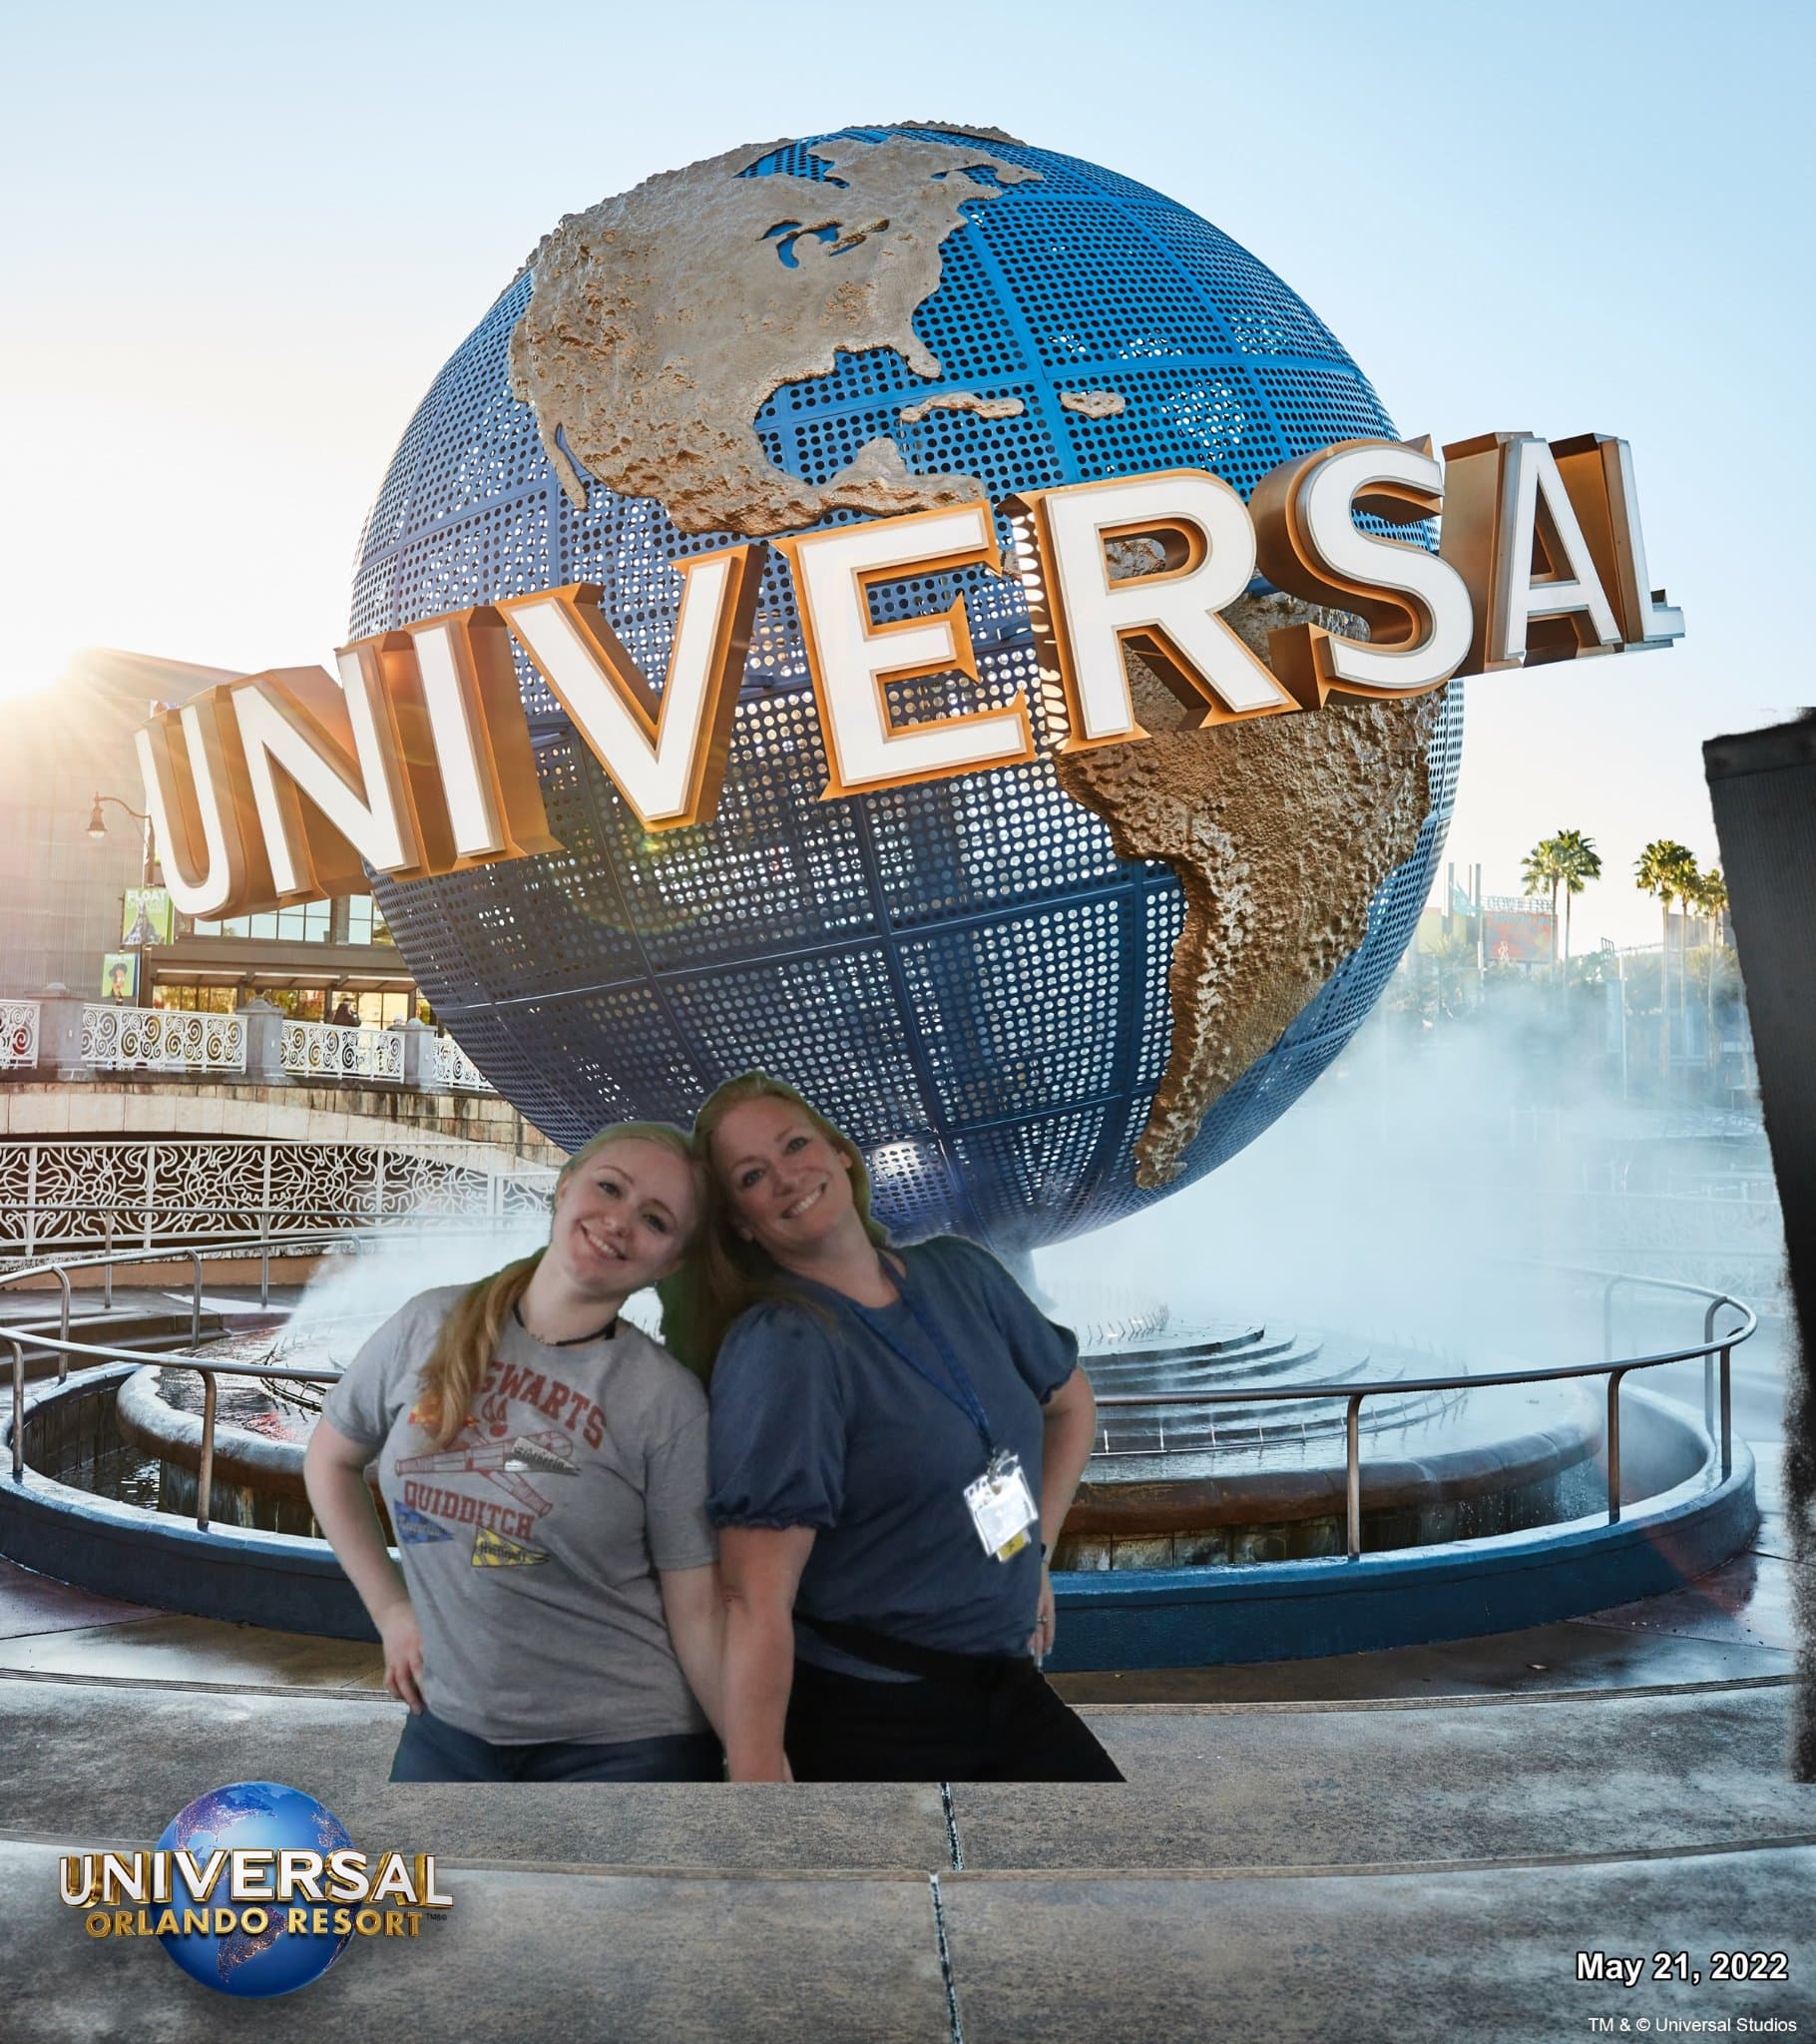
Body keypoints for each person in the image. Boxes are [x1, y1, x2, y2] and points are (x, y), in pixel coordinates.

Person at [665, 1072, 1123, 1785]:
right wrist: (757, 1773)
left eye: (796, 1145)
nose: (788, 1178)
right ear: (742, 1223)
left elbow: (1070, 1404)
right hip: (876, 1713)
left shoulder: (964, 1273)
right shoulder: (786, 1345)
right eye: (754, 1176)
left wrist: (1035, 1550)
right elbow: (752, 1595)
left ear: (841, 1154)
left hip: (1002, 1683)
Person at [304, 1122, 725, 1783]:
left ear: (668, 1263)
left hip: (627, 1743)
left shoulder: (665, 1401)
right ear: (563, 1191)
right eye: (608, 1188)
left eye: (655, 1219)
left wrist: (751, 1765)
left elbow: (696, 1607)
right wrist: (390, 1611)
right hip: (447, 1727)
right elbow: (329, 1460)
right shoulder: (427, 1325)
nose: (619, 1222)